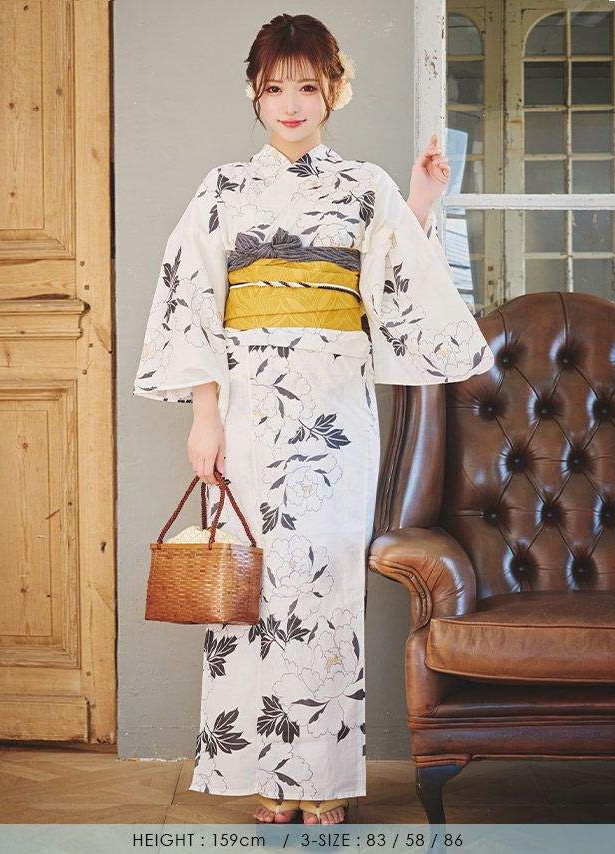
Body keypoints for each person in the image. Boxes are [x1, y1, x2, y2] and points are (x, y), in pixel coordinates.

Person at [133, 12, 494, 826]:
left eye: (307, 86)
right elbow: (193, 303)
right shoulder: (224, 189)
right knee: (252, 586)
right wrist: (204, 416)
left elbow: (395, 284)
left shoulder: (365, 186)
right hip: (248, 412)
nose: (291, 104)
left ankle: (321, 776)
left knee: (325, 587)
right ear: (255, 95)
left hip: (335, 415)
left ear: (334, 89)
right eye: (274, 88)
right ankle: (266, 772)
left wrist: (421, 203)